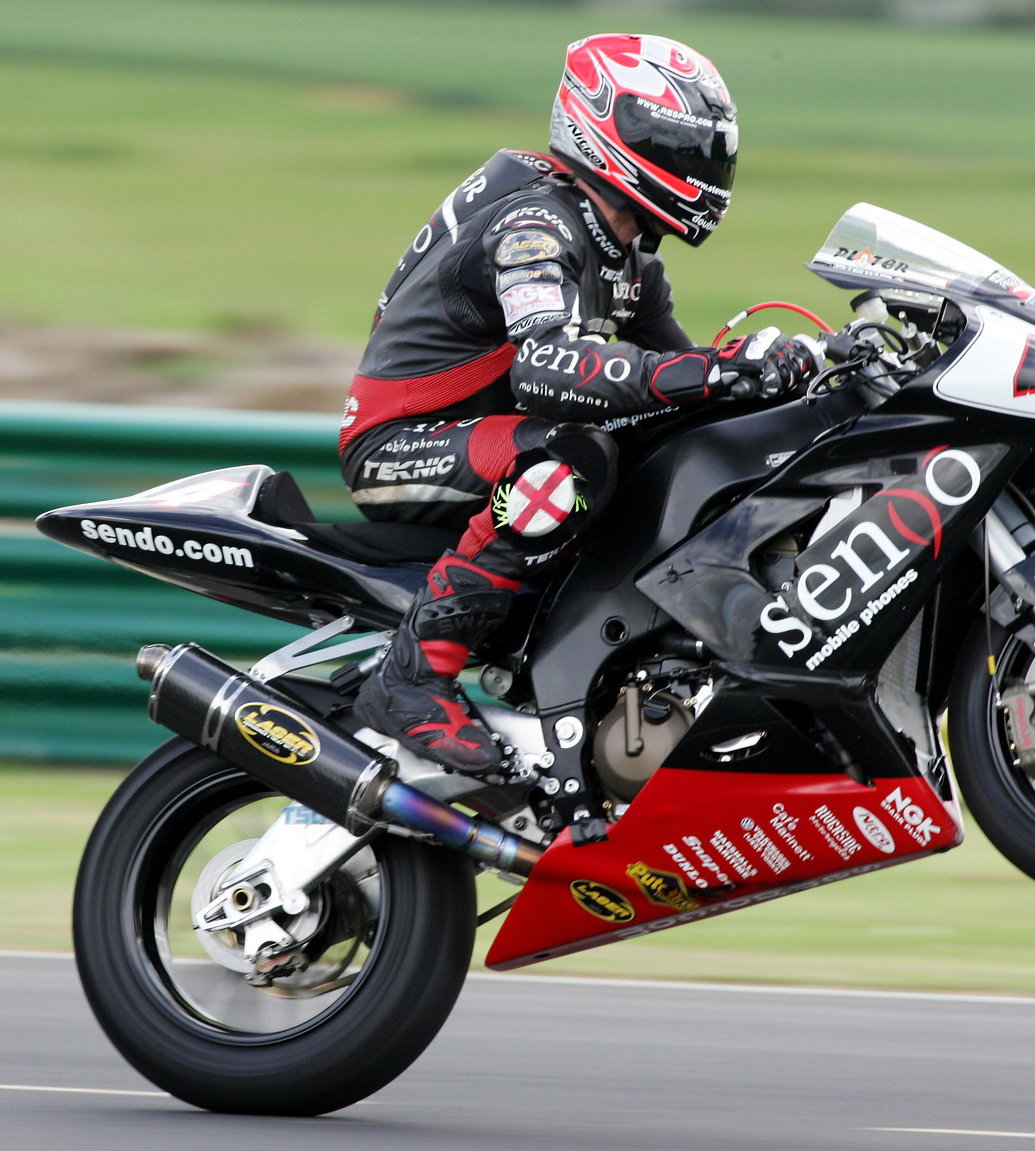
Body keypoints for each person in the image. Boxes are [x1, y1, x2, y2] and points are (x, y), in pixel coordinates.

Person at [343, 33, 817, 773]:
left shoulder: (630, 258)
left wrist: (796, 378)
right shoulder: (536, 225)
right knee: (573, 463)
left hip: (491, 433)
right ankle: (411, 677)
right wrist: (721, 370)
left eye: (708, 152)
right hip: (405, 440)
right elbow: (546, 368)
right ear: (606, 130)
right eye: (676, 144)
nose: (702, 169)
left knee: (672, 440)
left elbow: (683, 387)